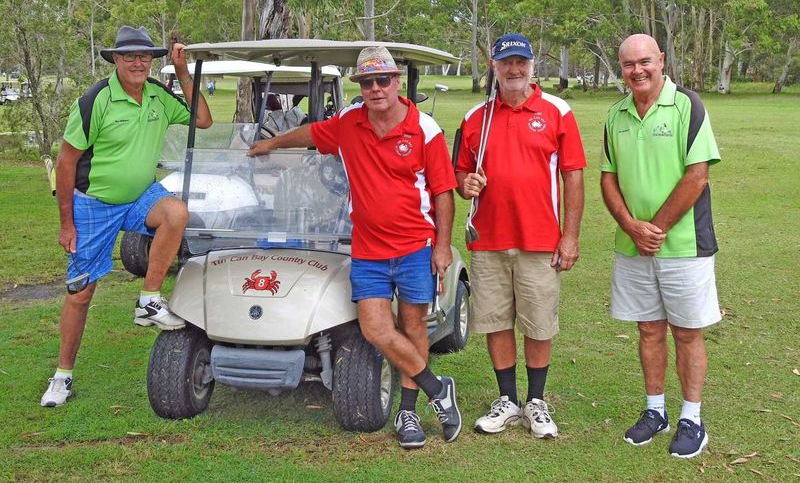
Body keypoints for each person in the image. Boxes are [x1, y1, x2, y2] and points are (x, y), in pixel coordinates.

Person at [248, 45, 461, 450]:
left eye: (383, 80)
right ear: (360, 86)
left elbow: (444, 193)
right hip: (368, 249)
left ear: (397, 82)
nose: (376, 88)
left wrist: (443, 247)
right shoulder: (349, 121)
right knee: (377, 328)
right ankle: (438, 389)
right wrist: (271, 145)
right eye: (367, 82)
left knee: (413, 326)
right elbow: (311, 133)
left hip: (417, 245)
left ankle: (410, 413)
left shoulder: (425, 129)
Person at [40, 25, 213, 408]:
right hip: (92, 204)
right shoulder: (95, 100)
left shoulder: (157, 95)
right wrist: (66, 223)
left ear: (152, 61)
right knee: (81, 294)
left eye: (145, 56)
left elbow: (202, 119)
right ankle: (62, 376)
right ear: (116, 60)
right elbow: (66, 162)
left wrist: (184, 73)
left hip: (139, 196)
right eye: (129, 56)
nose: (138, 62)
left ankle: (149, 299)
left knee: (175, 212)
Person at [455, 33, 586, 439]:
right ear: (494, 66)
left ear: (532, 66)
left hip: (540, 240)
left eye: (520, 62)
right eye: (506, 62)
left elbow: (573, 175)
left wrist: (570, 236)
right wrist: (466, 184)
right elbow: (458, 173)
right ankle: (508, 400)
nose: (514, 70)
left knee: (538, 322)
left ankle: (537, 402)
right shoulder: (476, 116)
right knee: (495, 320)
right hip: (489, 240)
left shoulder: (556, 111)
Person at [600, 33, 721, 459]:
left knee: (687, 332)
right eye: (629, 64)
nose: (638, 70)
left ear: (662, 60)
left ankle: (692, 418)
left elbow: (698, 176)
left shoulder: (688, 105)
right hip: (634, 245)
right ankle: (656, 411)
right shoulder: (615, 113)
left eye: (645, 61)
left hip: (684, 245)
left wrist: (655, 228)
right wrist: (632, 227)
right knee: (649, 329)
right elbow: (608, 177)